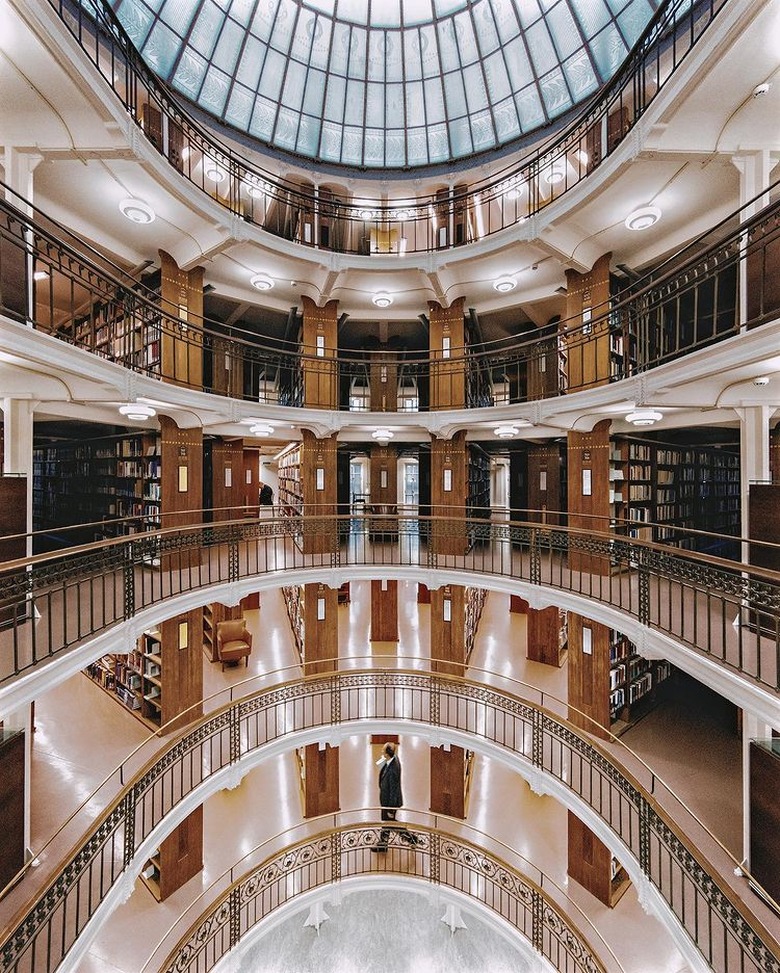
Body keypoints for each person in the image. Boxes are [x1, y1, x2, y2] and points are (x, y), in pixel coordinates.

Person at [371, 742, 419, 851]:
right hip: (386, 801)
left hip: (389, 803)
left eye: (383, 750)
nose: (382, 751)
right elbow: (381, 766)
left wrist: (391, 809)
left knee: (389, 823)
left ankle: (411, 839)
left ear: (388, 754)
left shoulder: (393, 770)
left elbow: (393, 790)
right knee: (387, 824)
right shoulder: (393, 759)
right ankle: (383, 844)